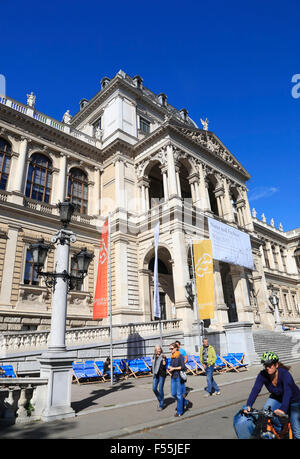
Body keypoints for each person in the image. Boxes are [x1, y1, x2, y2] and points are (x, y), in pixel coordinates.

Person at [234, 351, 300, 439]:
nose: (267, 368)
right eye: (265, 365)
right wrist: (249, 405)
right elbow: (255, 390)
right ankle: (278, 429)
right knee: (266, 411)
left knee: (296, 429)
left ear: (276, 365)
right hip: (277, 398)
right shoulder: (263, 375)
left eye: (270, 365)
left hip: (294, 400)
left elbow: (288, 392)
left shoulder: (285, 374)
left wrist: (283, 409)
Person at [169, 342, 191, 417]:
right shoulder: (172, 356)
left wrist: (174, 368)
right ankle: (184, 401)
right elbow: (171, 366)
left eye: (172, 348)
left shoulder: (180, 356)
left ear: (175, 348)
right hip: (173, 377)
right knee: (173, 393)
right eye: (170, 349)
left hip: (178, 377)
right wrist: (169, 369)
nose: (170, 350)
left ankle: (179, 412)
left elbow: (183, 367)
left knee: (178, 395)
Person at [152, 346, 167, 411]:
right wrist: (152, 362)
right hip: (156, 374)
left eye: (159, 349)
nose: (159, 350)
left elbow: (164, 365)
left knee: (160, 389)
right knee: (154, 388)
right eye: (157, 349)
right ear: (155, 350)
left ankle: (161, 405)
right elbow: (153, 365)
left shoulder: (163, 356)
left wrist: (163, 359)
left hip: (162, 375)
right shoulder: (154, 356)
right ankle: (161, 400)